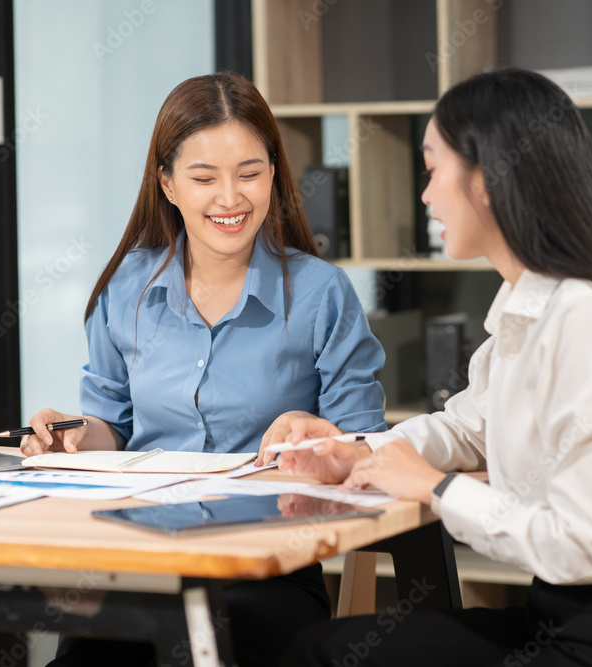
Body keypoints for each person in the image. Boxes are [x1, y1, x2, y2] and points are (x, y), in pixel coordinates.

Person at [273, 68, 592, 667]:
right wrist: (359, 452)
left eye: (433, 167)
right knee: (324, 648)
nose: (425, 195)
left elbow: (580, 545)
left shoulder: (589, 317)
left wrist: (434, 490)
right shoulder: (529, 308)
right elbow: (468, 428)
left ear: (488, 178)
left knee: (328, 655)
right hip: (570, 616)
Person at [24, 71, 387, 667]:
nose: (230, 198)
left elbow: (365, 446)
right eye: (203, 178)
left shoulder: (323, 294)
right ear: (167, 184)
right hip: (142, 553)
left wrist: (312, 429)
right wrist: (70, 435)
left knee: (202, 640)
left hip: (266, 567)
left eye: (249, 173)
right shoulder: (126, 290)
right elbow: (109, 427)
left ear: (274, 173)